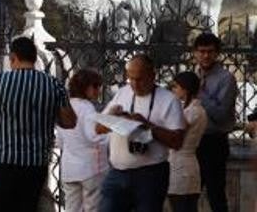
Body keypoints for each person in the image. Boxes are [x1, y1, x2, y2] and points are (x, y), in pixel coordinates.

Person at [0, 36, 75, 210]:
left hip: (4, 162)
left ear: (13, 58)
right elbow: (69, 122)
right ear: (34, 58)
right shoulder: (53, 85)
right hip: (35, 166)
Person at [95, 54, 186, 212]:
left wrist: (146, 125)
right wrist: (115, 120)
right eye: (131, 79)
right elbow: (98, 128)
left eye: (140, 79)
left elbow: (177, 142)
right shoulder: (122, 93)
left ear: (152, 76)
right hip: (117, 172)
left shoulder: (169, 100)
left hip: (150, 174)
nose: (135, 85)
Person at [194, 32, 237, 212]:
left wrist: (199, 94)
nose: (205, 56)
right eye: (201, 51)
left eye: (210, 52)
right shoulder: (193, 75)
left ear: (217, 53)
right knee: (190, 193)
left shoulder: (226, 79)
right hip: (193, 142)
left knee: (216, 195)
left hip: (214, 142)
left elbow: (220, 114)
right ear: (195, 52)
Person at [58, 68, 109, 212]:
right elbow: (94, 137)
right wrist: (110, 133)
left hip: (70, 169)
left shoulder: (64, 106)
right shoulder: (87, 109)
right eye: (95, 86)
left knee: (72, 208)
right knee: (93, 207)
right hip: (91, 169)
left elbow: (60, 141)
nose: (98, 90)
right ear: (85, 87)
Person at [168, 72, 207, 212]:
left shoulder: (191, 112)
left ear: (185, 89)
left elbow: (175, 135)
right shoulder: (196, 110)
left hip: (181, 166)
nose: (174, 90)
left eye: (176, 87)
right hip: (187, 165)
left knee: (181, 206)